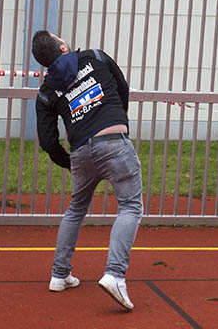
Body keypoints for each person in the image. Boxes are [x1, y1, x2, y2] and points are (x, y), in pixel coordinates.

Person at [33, 30, 142, 311]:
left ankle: (59, 275)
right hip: (114, 142)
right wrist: (118, 121)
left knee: (76, 209)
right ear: (62, 46)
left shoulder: (46, 92)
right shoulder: (95, 57)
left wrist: (71, 162)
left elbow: (48, 141)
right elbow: (122, 88)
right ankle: (115, 274)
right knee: (130, 206)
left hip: (81, 150)